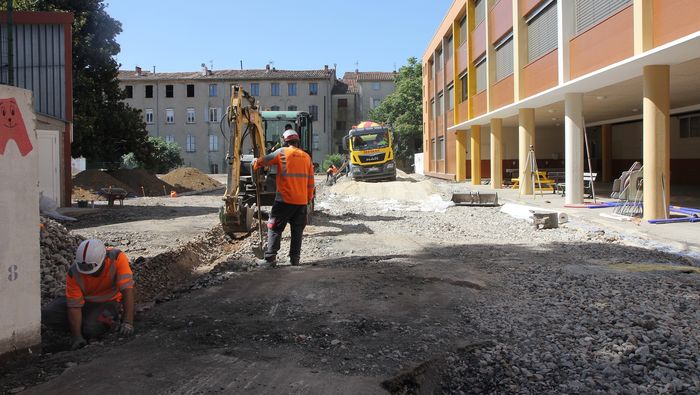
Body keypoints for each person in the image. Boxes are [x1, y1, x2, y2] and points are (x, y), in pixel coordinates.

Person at [42, 239, 136, 350]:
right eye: (84, 269)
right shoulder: (74, 272)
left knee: (91, 329)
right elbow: (74, 306)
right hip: (85, 301)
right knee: (48, 314)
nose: (88, 273)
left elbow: (127, 290)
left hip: (109, 301)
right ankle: (84, 323)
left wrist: (128, 321)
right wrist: (77, 337)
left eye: (91, 270)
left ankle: (101, 321)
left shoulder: (117, 258)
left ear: (103, 259)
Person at [253, 129, 315, 266]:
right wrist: (308, 199)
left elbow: (264, 160)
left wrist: (255, 162)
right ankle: (295, 259)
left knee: (274, 227)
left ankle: (270, 258)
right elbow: (311, 182)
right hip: (301, 202)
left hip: (284, 200)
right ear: (297, 142)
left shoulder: (282, 152)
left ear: (285, 141)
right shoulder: (306, 157)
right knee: (297, 230)